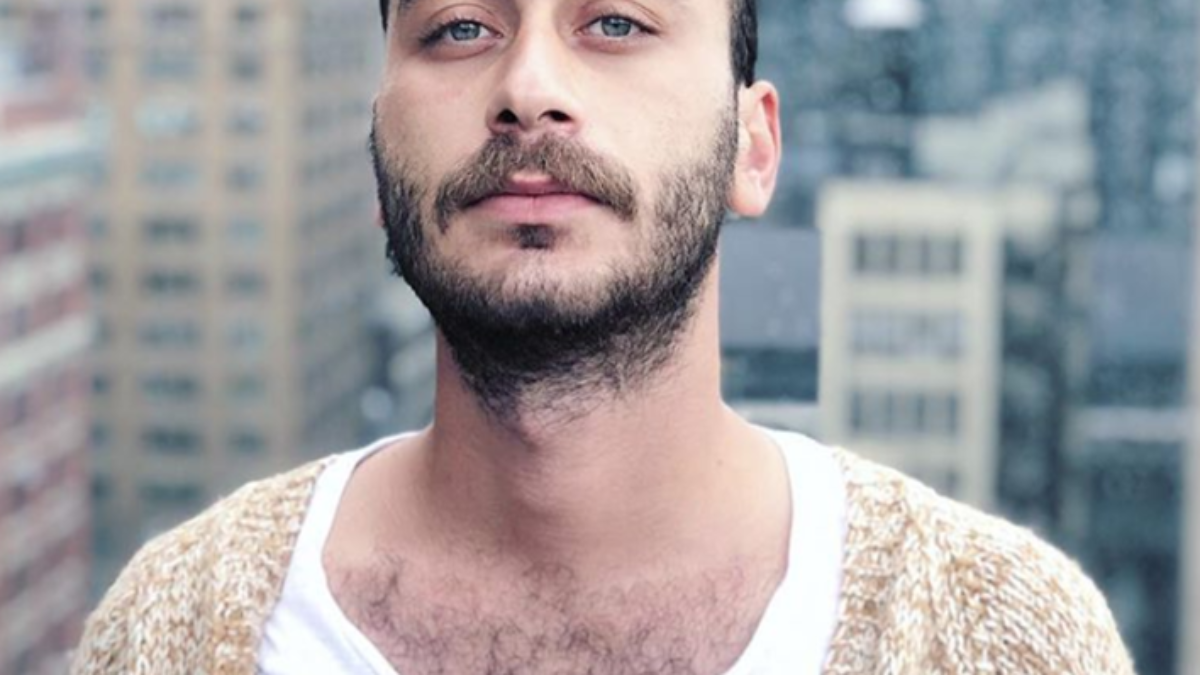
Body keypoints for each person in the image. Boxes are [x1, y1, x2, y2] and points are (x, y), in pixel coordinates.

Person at [72, 0, 1137, 673]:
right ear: (377, 154)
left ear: (754, 148)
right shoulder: (175, 626)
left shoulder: (1001, 636)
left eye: (616, 23)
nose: (529, 90)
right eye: (460, 28)